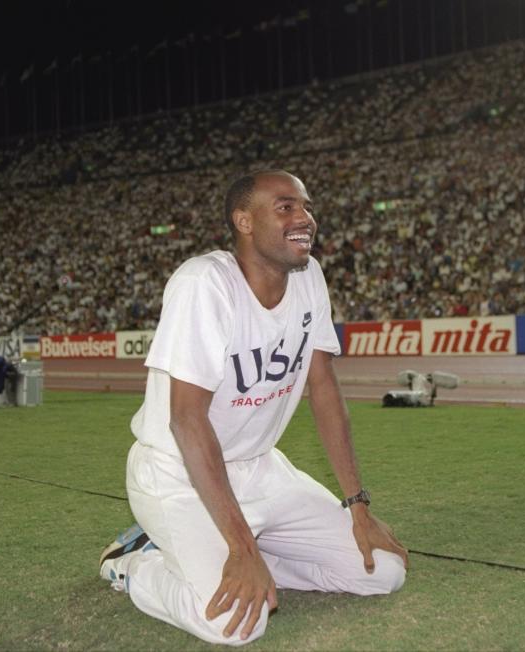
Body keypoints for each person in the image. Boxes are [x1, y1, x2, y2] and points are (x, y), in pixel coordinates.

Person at [98, 170, 408, 646]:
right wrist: (240, 547)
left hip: (259, 470)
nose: (304, 218)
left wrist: (357, 506)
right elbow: (186, 418)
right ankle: (134, 563)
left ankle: (261, 555)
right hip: (179, 474)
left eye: (306, 207)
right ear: (243, 221)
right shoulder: (204, 283)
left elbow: (322, 387)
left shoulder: (311, 277)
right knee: (234, 625)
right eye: (285, 207)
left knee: (383, 571)